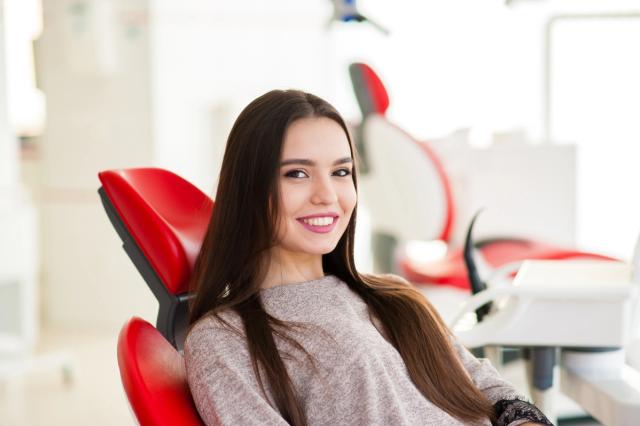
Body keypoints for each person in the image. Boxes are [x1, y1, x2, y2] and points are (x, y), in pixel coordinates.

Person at [185, 89, 552, 426]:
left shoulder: (395, 297)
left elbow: (492, 391)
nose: (327, 195)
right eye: (297, 173)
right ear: (248, 188)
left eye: (341, 172)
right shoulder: (224, 339)